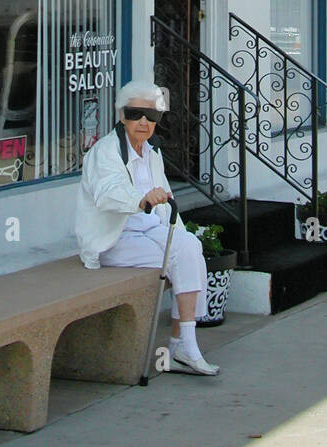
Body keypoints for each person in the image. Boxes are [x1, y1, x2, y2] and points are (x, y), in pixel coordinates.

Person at [75, 79, 219, 376]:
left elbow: (166, 198)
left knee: (189, 245)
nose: (143, 122)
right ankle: (182, 347)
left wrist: (177, 230)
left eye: (151, 116)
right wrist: (140, 200)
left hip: (147, 232)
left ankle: (183, 342)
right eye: (135, 114)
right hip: (112, 240)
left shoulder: (152, 153)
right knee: (182, 255)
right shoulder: (106, 151)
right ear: (121, 116)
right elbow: (107, 192)